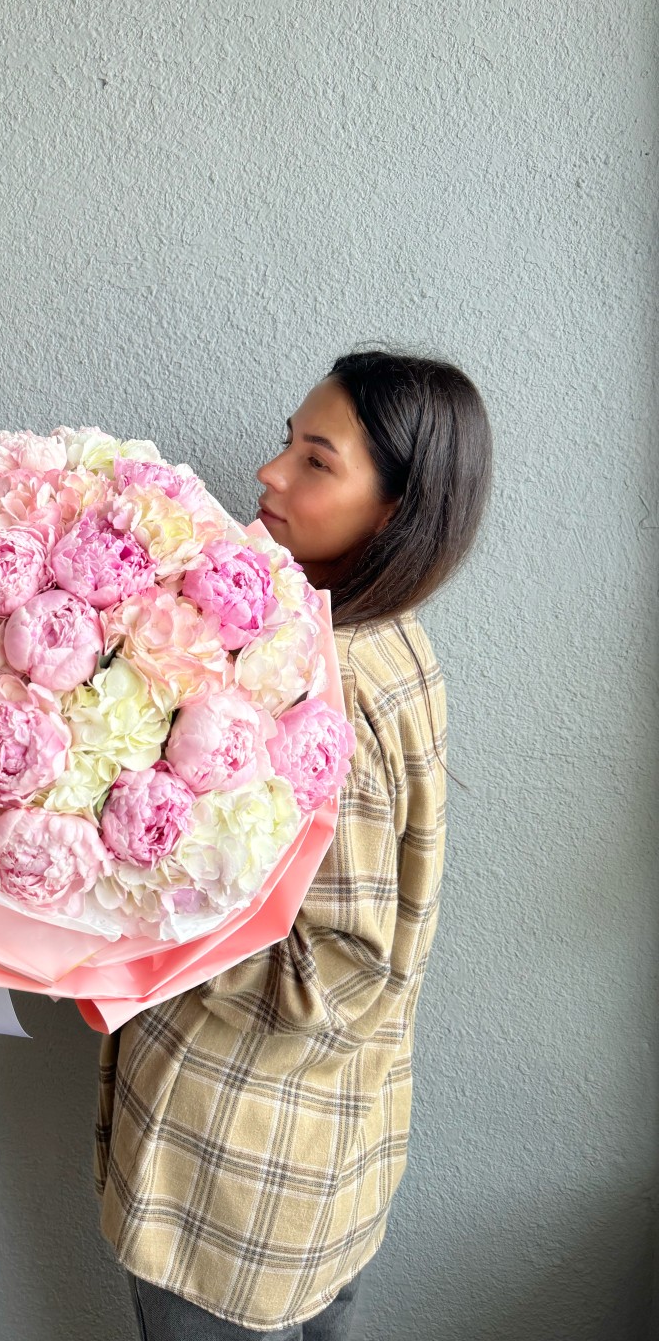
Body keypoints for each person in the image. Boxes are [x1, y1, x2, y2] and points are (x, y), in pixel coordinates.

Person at [94, 347, 494, 1339]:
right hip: (316, 1158)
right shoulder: (382, 636)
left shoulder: (331, 680)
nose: (270, 474)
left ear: (397, 509)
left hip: (238, 1179)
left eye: (317, 460)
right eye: (286, 442)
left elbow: (340, 970)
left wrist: (121, 933)